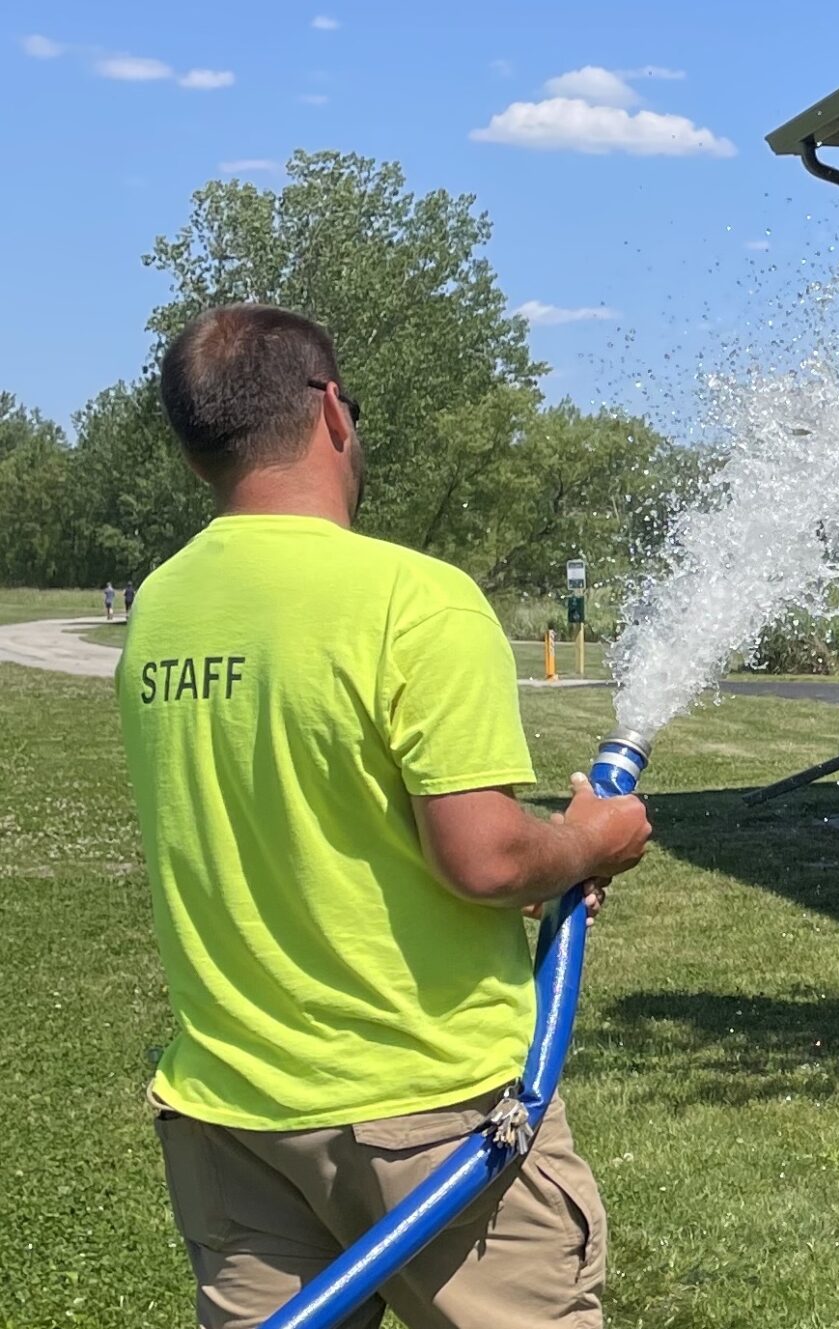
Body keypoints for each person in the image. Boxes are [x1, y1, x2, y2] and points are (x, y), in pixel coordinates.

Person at [117, 304, 651, 1329]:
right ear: (332, 412)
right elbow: (488, 860)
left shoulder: (164, 607)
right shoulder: (416, 599)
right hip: (430, 1118)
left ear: (195, 457)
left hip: (231, 1117)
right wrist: (592, 839)